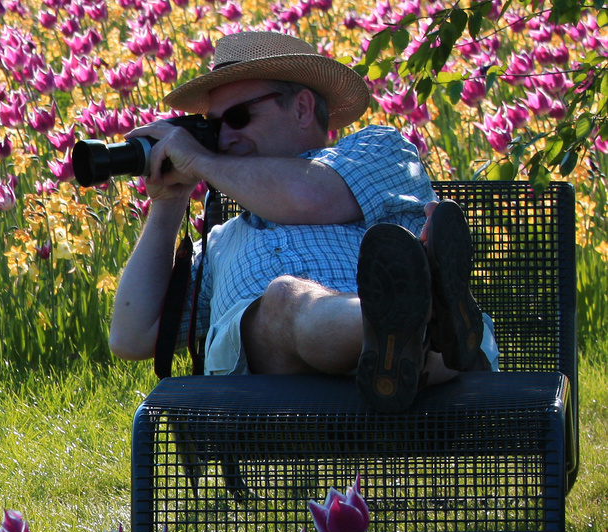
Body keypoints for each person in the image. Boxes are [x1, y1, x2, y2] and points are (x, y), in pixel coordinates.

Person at [106, 30, 496, 413]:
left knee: (289, 298)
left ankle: (410, 339)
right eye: (212, 126)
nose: (223, 138)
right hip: (267, 392)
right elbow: (132, 336)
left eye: (238, 117)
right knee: (284, 299)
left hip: (388, 379)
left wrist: (203, 161)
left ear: (302, 108)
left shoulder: (379, 150)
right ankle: (425, 321)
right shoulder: (221, 241)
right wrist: (168, 203)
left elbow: (309, 195)